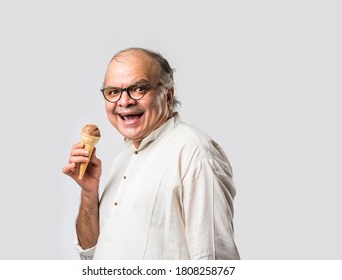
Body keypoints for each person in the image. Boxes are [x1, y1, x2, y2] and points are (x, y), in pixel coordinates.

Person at [62, 47, 240, 260]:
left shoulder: (194, 151)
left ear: (168, 94)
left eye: (138, 88)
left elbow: (214, 261)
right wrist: (89, 193)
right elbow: (91, 254)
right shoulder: (122, 159)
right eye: (113, 92)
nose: (124, 101)